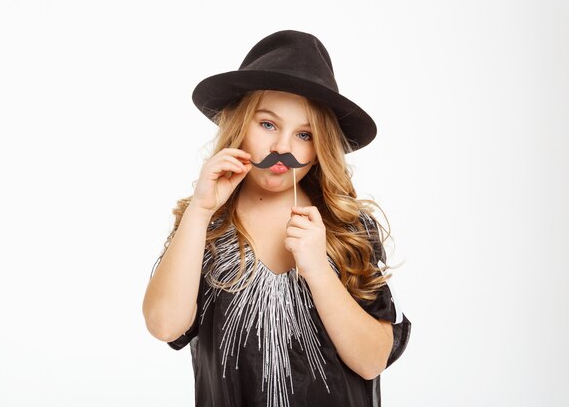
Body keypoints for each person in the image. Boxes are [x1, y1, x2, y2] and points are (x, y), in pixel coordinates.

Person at [142, 30, 411, 407]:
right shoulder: (207, 225)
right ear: (239, 124)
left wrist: (319, 269)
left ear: (320, 150)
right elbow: (164, 324)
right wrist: (200, 213)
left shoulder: (347, 227)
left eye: (304, 134)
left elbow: (372, 361)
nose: (282, 147)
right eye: (267, 124)